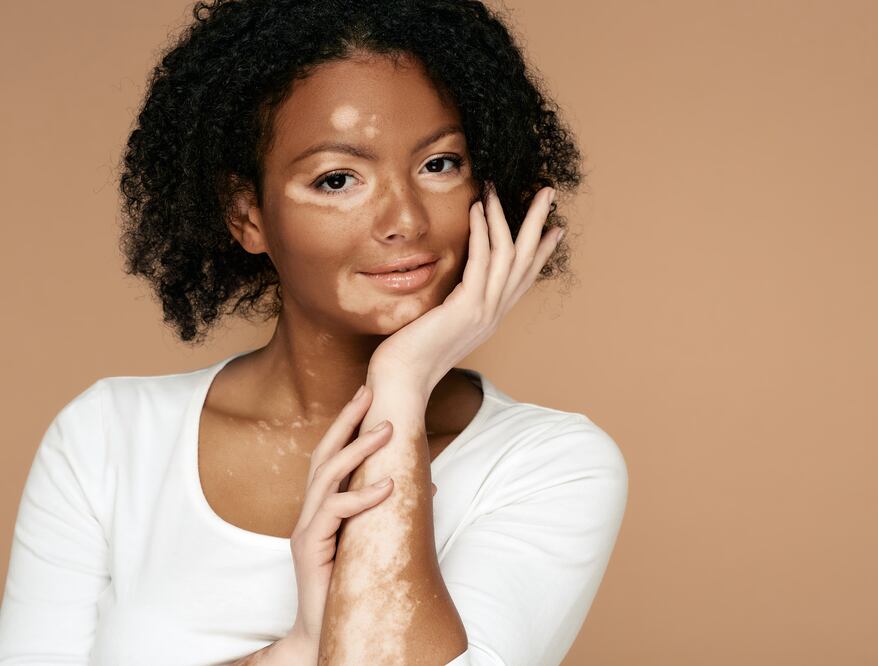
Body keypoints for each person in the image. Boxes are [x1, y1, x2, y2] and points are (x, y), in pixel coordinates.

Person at [0, 0, 629, 663]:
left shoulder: (549, 466)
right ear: (247, 216)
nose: (406, 220)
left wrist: (400, 382)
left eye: (439, 164)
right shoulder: (108, 439)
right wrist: (300, 647)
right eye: (337, 179)